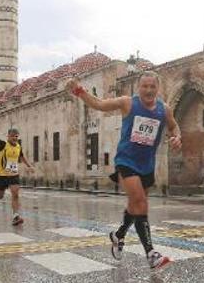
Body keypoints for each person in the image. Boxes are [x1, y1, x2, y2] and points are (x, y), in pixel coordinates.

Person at [66, 71, 181, 270]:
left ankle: (118, 235)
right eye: (144, 86)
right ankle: (151, 254)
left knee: (135, 206)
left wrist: (177, 137)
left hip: (147, 165)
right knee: (140, 203)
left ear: (157, 88)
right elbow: (100, 104)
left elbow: (174, 126)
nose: (148, 90)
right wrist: (79, 90)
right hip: (126, 161)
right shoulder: (128, 103)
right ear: (139, 87)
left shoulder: (165, 110)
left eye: (152, 86)